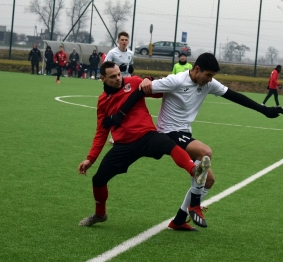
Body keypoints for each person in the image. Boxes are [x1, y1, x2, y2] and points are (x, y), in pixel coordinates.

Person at [103, 53, 283, 230]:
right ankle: (195, 205)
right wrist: (120, 116)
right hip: (168, 132)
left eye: (212, 76)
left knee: (208, 181)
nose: (210, 79)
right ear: (197, 69)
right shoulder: (176, 80)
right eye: (208, 75)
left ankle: (179, 220)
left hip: (185, 134)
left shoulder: (208, 83)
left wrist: (265, 111)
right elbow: (140, 91)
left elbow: (235, 96)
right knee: (205, 152)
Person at [77, 61, 211, 229]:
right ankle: (100, 214)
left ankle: (194, 171)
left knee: (168, 144)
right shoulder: (103, 101)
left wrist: (149, 81)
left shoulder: (132, 82)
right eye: (113, 77)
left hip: (147, 136)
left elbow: (160, 91)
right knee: (98, 180)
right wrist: (90, 158)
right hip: (123, 146)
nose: (118, 78)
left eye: (119, 74)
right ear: (102, 78)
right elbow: (101, 131)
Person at [105, 31, 135, 144]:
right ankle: (114, 135)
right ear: (118, 41)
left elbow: (130, 65)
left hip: (127, 84)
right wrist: (117, 68)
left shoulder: (131, 53)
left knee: (127, 109)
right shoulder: (112, 53)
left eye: (126, 40)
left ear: (128, 41)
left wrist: (130, 69)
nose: (124, 42)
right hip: (116, 84)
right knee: (116, 109)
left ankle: (125, 134)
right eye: (122, 40)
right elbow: (105, 65)